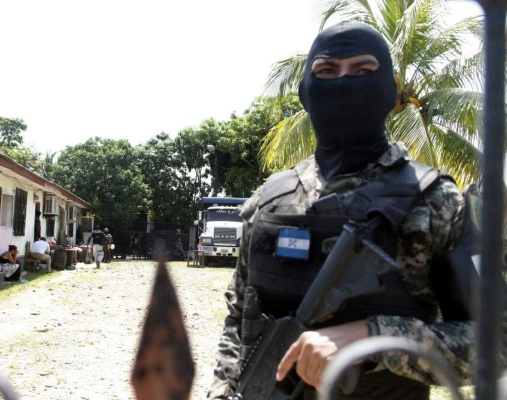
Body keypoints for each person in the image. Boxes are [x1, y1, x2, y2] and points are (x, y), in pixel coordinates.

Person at [208, 21, 495, 399]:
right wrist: (221, 390)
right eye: (326, 71)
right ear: (305, 92)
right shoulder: (267, 199)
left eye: (362, 71)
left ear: (389, 91)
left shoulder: (435, 200)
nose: (343, 83)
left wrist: (372, 337)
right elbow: (237, 320)